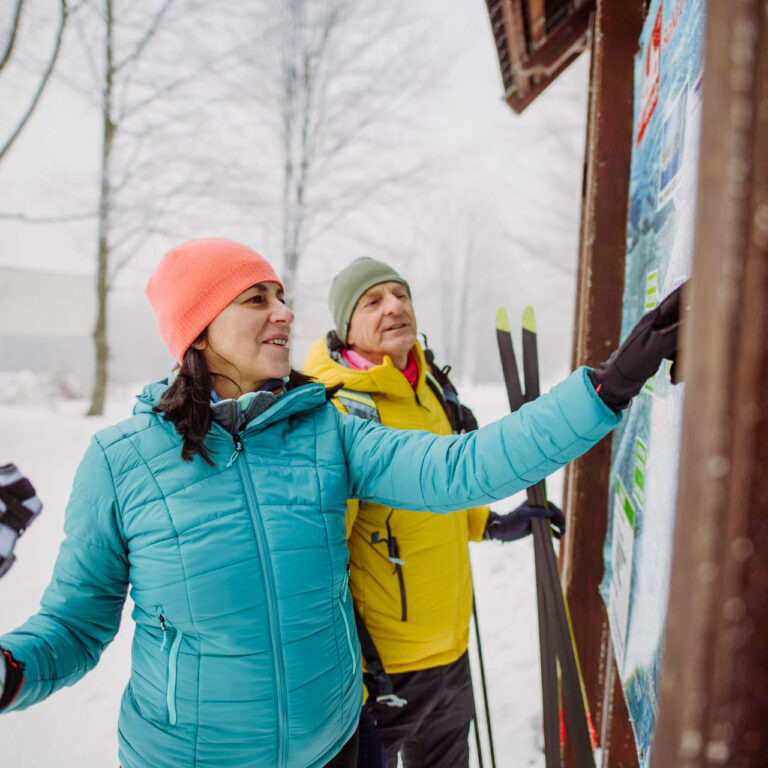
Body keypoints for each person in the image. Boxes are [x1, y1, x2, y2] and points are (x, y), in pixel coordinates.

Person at [0, 238, 682, 768]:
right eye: (256, 299)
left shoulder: (326, 431)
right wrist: (12, 672)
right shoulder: (121, 462)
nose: (284, 313)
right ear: (199, 331)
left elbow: (460, 468)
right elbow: (76, 625)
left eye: (281, 295)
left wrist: (610, 385)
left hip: (336, 747)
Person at [303, 257, 567, 767]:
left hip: (451, 647)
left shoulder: (431, 388)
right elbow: (320, 556)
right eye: (374, 300)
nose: (395, 306)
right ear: (346, 326)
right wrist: (349, 670)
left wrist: (488, 522)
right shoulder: (337, 410)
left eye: (401, 295)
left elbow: (444, 491)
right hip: (384, 669)